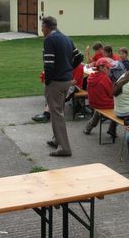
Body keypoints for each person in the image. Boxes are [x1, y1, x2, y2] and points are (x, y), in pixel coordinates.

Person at [42, 16, 83, 157]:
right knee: (58, 111)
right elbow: (79, 57)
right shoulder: (67, 39)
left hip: (56, 82)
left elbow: (49, 63)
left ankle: (64, 148)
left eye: (42, 27)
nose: (41, 30)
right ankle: (56, 139)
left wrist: (48, 81)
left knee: (57, 114)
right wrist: (68, 69)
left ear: (46, 27)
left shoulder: (49, 40)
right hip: (66, 81)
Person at [83, 58, 114, 135]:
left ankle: (89, 127)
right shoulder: (105, 78)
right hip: (101, 103)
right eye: (107, 68)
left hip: (92, 102)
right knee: (121, 107)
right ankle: (112, 129)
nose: (109, 70)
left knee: (100, 108)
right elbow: (111, 94)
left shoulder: (91, 76)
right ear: (100, 68)